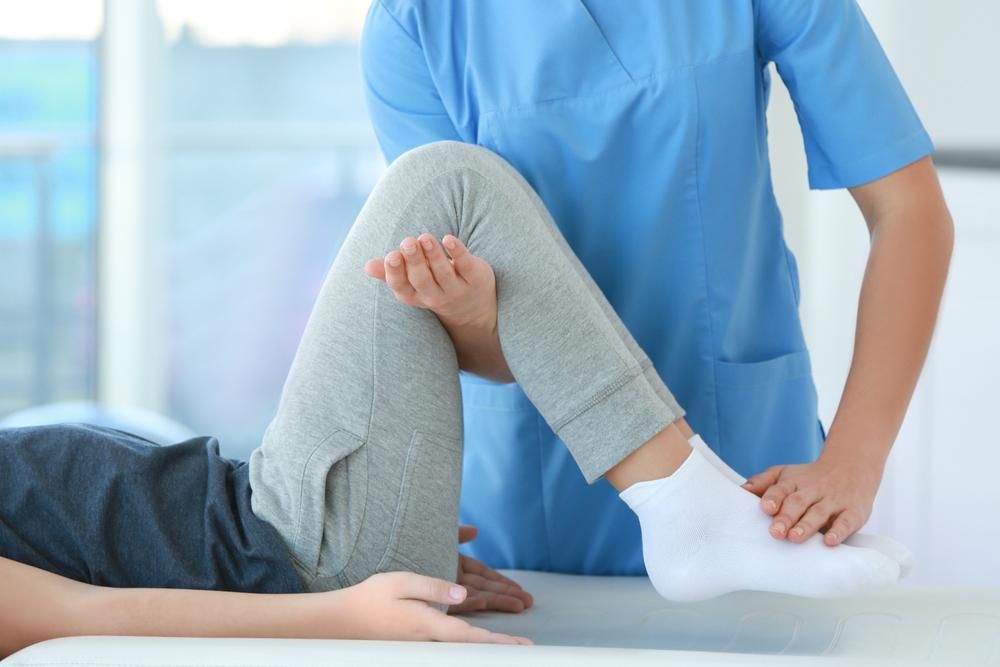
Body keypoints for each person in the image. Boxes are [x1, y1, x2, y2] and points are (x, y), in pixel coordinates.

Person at [1, 142, 908, 658]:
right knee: (445, 188)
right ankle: (685, 504)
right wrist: (342, 610)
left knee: (449, 201)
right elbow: (77, 617)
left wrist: (383, 525)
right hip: (278, 549)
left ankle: (688, 500)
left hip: (270, 522)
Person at [359, 0, 955, 575]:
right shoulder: (412, 20)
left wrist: (855, 459)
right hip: (534, 502)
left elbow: (907, 209)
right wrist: (468, 312)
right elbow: (463, 322)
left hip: (752, 476)